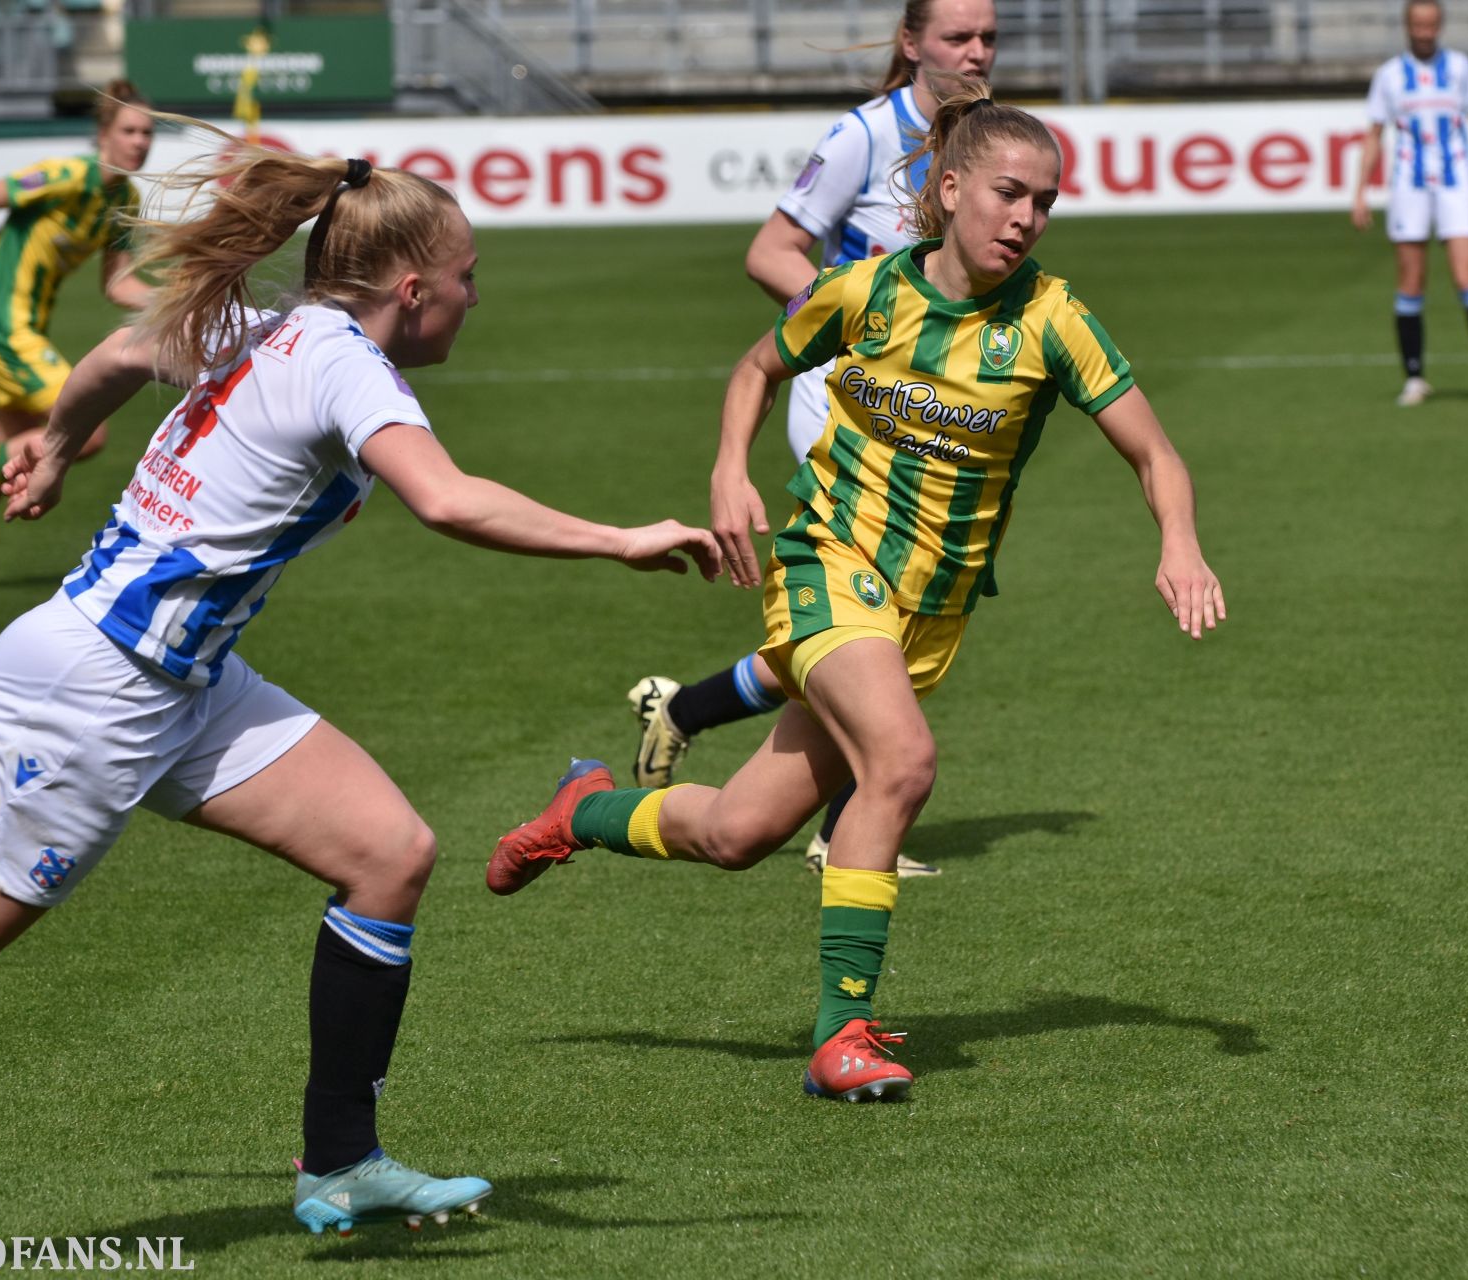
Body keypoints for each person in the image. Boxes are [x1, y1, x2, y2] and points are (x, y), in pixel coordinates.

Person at [0, 135, 719, 1232]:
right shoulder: (343, 361)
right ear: (414, 289)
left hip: (182, 681)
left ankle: (342, 1160)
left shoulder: (267, 327)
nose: (471, 299)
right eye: (467, 280)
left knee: (388, 853)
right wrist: (619, 538)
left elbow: (120, 353)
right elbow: (447, 501)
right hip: (92, 692)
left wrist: (57, 442)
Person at [491, 82, 1224, 1105]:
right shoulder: (865, 292)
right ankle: (843, 1034)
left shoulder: (1055, 320)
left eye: (1046, 202)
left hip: (926, 618)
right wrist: (728, 469)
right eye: (1011, 192)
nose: (1028, 218)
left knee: (739, 834)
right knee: (904, 761)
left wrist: (1179, 542)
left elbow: (1157, 452)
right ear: (950, 186)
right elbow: (756, 368)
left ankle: (585, 809)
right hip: (827, 569)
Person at [626, 0, 998, 878]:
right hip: (845, 399)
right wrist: (858, 321)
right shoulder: (866, 135)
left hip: (932, 412)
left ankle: (685, 712)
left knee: (869, 627)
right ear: (911, 43)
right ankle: (845, 825)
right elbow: (774, 251)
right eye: (958, 36)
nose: (977, 51)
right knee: (874, 610)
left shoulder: (986, 136)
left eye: (989, 35)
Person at [0, 80, 158, 594]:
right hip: (1, 320)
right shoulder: (66, 176)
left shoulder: (124, 197)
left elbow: (117, 281)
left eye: (148, 131)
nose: (140, 141)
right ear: (103, 134)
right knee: (85, 427)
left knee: (11, 466)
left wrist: (175, 300)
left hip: (24, 328)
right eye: (129, 130)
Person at [1352, 0, 1468, 408]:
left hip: (1456, 185)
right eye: (1418, 25)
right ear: (1408, 26)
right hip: (1409, 187)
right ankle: (1415, 378)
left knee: (1467, 276)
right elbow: (1374, 134)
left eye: (1431, 25)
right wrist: (1360, 192)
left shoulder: (1461, 68)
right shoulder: (1389, 75)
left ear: (1439, 25)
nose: (1424, 32)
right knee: (1410, 283)